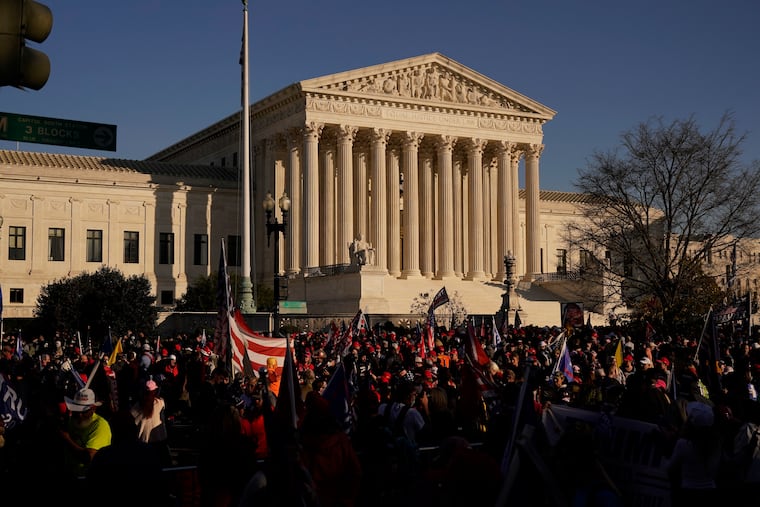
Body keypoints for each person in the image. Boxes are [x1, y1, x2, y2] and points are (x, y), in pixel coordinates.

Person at [664, 401, 721, 506]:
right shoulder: (716, 445)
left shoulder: (684, 444)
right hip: (710, 493)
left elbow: (670, 467)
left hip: (689, 493)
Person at [60, 387, 112, 478]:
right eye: (77, 410)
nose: (80, 415)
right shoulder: (72, 420)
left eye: (84, 411)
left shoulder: (100, 426)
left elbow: (89, 457)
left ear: (93, 409)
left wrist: (67, 439)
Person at [130, 379, 172, 467]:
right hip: (160, 442)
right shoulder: (160, 402)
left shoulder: (137, 407)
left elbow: (132, 422)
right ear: (155, 391)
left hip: (144, 444)